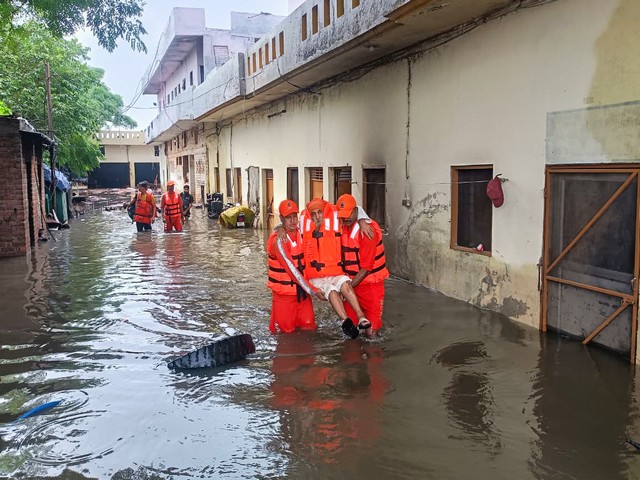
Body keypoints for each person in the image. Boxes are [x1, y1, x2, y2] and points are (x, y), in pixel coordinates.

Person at [301, 197, 372, 339]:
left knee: (345, 283)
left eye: (319, 213)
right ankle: (346, 322)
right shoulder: (302, 221)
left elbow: (354, 209)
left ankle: (361, 317)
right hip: (315, 276)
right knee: (331, 290)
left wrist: (363, 220)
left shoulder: (335, 214)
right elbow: (286, 224)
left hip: (335, 271)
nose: (317, 217)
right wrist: (279, 229)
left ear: (324, 211)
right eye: (313, 214)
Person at [267, 200, 324, 334]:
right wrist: (313, 290)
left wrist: (362, 219)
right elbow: (292, 270)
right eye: (288, 218)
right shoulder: (279, 241)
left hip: (303, 294)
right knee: (286, 334)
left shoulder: (302, 233)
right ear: (281, 219)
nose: (292, 221)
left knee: (309, 327)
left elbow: (328, 212)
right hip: (285, 297)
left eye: (294, 216)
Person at [337, 194, 389, 335]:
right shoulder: (342, 225)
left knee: (371, 333)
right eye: (342, 215)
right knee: (351, 331)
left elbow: (366, 268)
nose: (345, 218)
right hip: (351, 285)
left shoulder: (367, 231)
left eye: (348, 214)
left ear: (356, 211)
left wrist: (346, 289)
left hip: (371, 287)